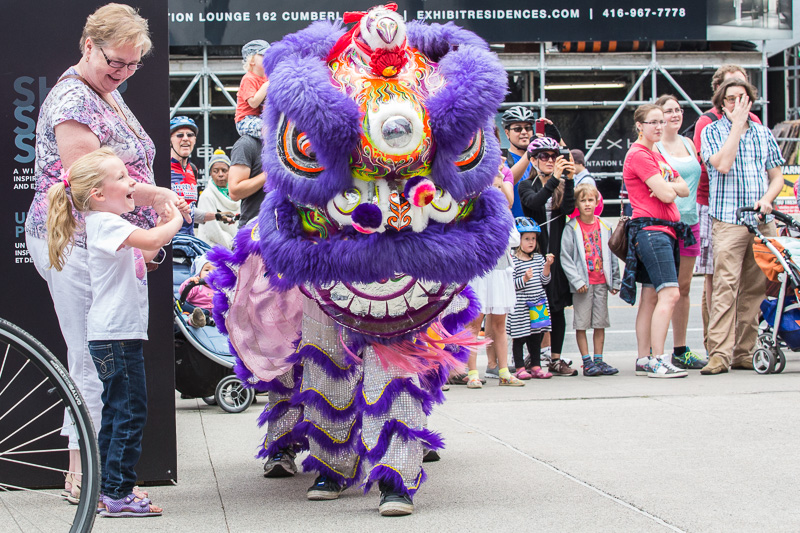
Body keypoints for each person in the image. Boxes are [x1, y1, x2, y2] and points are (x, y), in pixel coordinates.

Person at [24, 3, 189, 503]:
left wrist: (147, 227)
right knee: (90, 360)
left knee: (100, 361)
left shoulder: (106, 93)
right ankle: (83, 476)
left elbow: (118, 185)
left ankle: (93, 475)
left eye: (132, 63)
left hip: (107, 247)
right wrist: (159, 200)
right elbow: (91, 185)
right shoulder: (75, 99)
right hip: (77, 246)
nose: (122, 72)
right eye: (114, 62)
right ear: (87, 46)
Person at [46, 147, 183, 516]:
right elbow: (154, 242)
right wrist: (173, 222)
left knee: (120, 410)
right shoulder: (105, 223)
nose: (132, 183)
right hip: (115, 336)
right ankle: (119, 491)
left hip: (117, 335)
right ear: (98, 195)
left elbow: (150, 253)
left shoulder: (108, 224)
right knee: (129, 412)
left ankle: (109, 487)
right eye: (122, 177)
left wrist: (162, 222)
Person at [699, 78, 784, 375]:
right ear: (722, 104)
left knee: (755, 289)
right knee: (725, 288)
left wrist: (768, 199)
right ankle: (719, 355)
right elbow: (722, 164)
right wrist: (735, 126)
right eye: (732, 98)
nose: (738, 103)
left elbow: (777, 176)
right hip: (728, 220)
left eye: (743, 97)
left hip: (761, 221)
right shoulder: (711, 132)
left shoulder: (763, 133)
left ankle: (743, 352)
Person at [692, 65, 762, 353]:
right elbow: (713, 166)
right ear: (720, 94)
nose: (739, 101)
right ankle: (716, 345)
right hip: (714, 205)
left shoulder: (756, 123)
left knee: (752, 282)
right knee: (716, 280)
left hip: (752, 209)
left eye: (743, 90)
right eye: (732, 92)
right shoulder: (706, 124)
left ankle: (743, 348)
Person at [620, 104, 691, 378]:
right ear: (639, 125)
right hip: (653, 230)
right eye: (653, 122)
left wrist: (665, 184)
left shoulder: (655, 155)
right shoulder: (639, 155)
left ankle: (643, 359)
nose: (659, 127)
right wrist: (665, 184)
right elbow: (668, 195)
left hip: (663, 230)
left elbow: (684, 188)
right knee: (670, 293)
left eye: (662, 122)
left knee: (650, 297)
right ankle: (658, 358)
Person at [518, 136, 579, 376]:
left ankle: (555, 358)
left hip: (558, 255)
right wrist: (553, 180)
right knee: (534, 306)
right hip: (535, 255)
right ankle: (533, 358)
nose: (550, 161)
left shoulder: (561, 184)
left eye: (554, 157)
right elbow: (534, 203)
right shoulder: (526, 185)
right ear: (533, 160)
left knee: (557, 306)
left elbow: (569, 209)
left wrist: (570, 181)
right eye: (544, 157)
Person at [654, 94, 706, 370]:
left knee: (683, 288)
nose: (675, 114)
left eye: (678, 110)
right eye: (668, 111)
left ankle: (680, 348)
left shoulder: (688, 142)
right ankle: (653, 350)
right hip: (664, 223)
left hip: (691, 221)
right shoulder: (655, 147)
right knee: (660, 289)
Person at [464, 167, 524, 388]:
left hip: (500, 274)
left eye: (500, 187)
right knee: (473, 323)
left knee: (499, 324)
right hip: (480, 275)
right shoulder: (472, 215)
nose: (497, 192)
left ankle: (504, 371)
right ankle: (472, 373)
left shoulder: (505, 216)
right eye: (492, 188)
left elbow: (514, 239)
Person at [561, 183, 620, 376]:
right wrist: (577, 281)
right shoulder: (572, 228)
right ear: (577, 204)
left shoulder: (605, 226)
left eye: (590, 200)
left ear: (597, 202)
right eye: (583, 200)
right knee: (582, 323)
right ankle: (586, 361)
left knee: (600, 323)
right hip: (583, 286)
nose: (587, 204)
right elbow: (566, 257)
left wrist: (615, 281)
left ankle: (599, 359)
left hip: (601, 281)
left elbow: (612, 255)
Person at [506, 217, 555, 379]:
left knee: (536, 336)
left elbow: (544, 281)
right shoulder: (514, 261)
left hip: (538, 302)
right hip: (521, 304)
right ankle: (520, 367)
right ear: (518, 240)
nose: (531, 242)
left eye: (533, 239)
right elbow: (511, 284)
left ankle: (536, 366)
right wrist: (524, 280)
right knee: (520, 337)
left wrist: (547, 266)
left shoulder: (539, 259)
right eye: (527, 238)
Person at [170, 116, 216, 235]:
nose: (185, 139)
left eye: (190, 135)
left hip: (188, 240)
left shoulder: (193, 169)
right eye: (179, 135)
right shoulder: (162, 169)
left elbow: (190, 211)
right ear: (170, 140)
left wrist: (218, 216)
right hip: (168, 243)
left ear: (195, 140)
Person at [196, 149, 240, 249]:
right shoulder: (207, 196)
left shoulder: (237, 195)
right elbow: (212, 231)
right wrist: (232, 245)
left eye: (224, 170)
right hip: (213, 251)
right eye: (216, 171)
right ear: (211, 173)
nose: (220, 174)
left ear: (230, 172)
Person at [228, 133, 266, 227]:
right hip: (255, 230)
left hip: (291, 228)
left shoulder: (292, 141)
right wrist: (270, 174)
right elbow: (235, 191)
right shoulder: (247, 144)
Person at [235, 39, 270, 139]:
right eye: (263, 55)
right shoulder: (248, 78)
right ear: (252, 61)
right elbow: (253, 103)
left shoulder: (267, 77)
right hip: (245, 120)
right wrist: (266, 85)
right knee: (268, 129)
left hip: (260, 117)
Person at [178, 256, 215, 328]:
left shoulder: (220, 289)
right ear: (199, 273)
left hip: (213, 316)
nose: (211, 273)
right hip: (195, 312)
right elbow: (184, 293)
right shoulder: (197, 286)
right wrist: (190, 283)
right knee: (189, 316)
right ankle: (195, 321)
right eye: (207, 270)